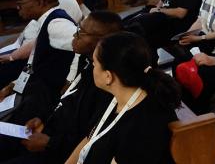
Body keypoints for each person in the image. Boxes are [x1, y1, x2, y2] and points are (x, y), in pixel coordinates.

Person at [4, 12, 123, 164]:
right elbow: (69, 99)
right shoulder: (86, 61)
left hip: (62, 152)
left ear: (101, 41)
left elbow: (93, 135)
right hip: (51, 131)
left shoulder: (105, 82)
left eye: (81, 32)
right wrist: (43, 117)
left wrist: (49, 143)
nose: (75, 35)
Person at [65, 32, 180, 163]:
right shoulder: (114, 97)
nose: (93, 68)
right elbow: (90, 137)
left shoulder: (143, 126)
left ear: (108, 76)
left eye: (95, 64)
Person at [0, 0, 76, 125]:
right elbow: (33, 62)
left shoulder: (57, 23)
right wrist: (13, 85)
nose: (18, 7)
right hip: (37, 88)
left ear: (40, 2)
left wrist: (70, 81)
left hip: (45, 95)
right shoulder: (46, 21)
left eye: (21, 3)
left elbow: (80, 47)